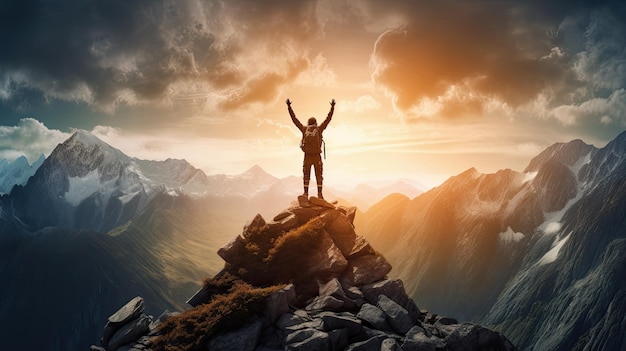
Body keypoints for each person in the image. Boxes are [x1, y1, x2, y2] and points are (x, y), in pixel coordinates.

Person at [286, 98, 335, 199]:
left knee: (306, 174)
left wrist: (289, 107)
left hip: (307, 156)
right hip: (317, 156)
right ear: (315, 123)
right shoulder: (319, 129)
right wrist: (332, 107)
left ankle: (305, 193)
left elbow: (294, 120)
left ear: (308, 123)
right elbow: (328, 119)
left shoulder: (304, 129)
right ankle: (320, 194)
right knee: (319, 175)